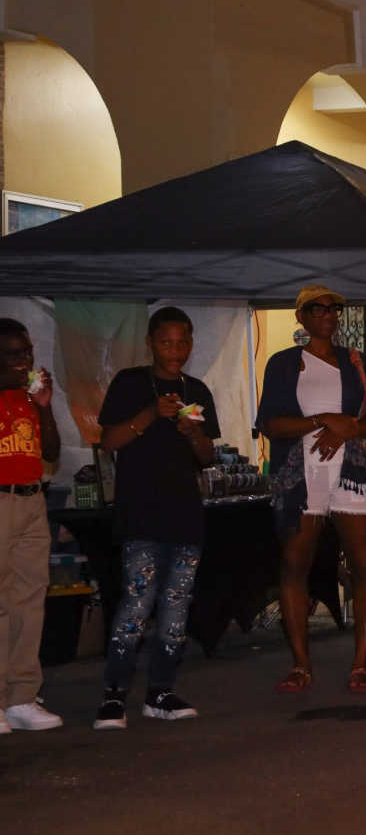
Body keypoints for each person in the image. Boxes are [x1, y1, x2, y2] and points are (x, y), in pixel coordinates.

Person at [256, 285, 366, 695]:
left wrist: (347, 427)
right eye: (318, 308)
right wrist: (324, 421)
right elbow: (271, 425)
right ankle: (300, 665)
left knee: (365, 565)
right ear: (301, 317)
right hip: (301, 475)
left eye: (334, 308)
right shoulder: (283, 364)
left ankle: (361, 664)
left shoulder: (358, 363)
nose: (328, 314)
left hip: (351, 471)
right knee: (296, 567)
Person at [93, 307, 219, 727]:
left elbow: (207, 457)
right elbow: (108, 441)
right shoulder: (130, 383)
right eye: (167, 341)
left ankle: (160, 692)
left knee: (176, 607)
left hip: (185, 515)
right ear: (151, 342)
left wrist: (194, 433)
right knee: (136, 604)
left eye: (183, 342)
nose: (175, 350)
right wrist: (151, 414)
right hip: (141, 515)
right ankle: (114, 694)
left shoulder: (196, 390)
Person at [0, 317, 62, 732]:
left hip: (31, 497)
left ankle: (21, 697)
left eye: (28, 353)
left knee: (28, 600)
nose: (25, 362)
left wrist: (44, 407)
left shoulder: (30, 397)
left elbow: (52, 451)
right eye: (14, 355)